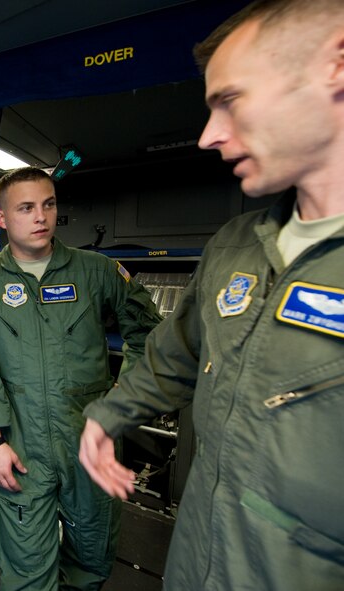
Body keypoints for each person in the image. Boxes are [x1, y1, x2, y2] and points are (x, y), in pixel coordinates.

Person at [79, 1, 344, 589]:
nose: (208, 137)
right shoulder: (233, 247)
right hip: (199, 561)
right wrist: (108, 416)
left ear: (336, 66)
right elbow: (175, 358)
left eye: (231, 100)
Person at [0, 167, 162, 590]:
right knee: (25, 573)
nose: (41, 217)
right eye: (25, 208)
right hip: (22, 447)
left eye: (49, 204)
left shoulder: (96, 272)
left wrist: (122, 399)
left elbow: (150, 336)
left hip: (90, 440)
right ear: (1, 219)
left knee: (91, 561)